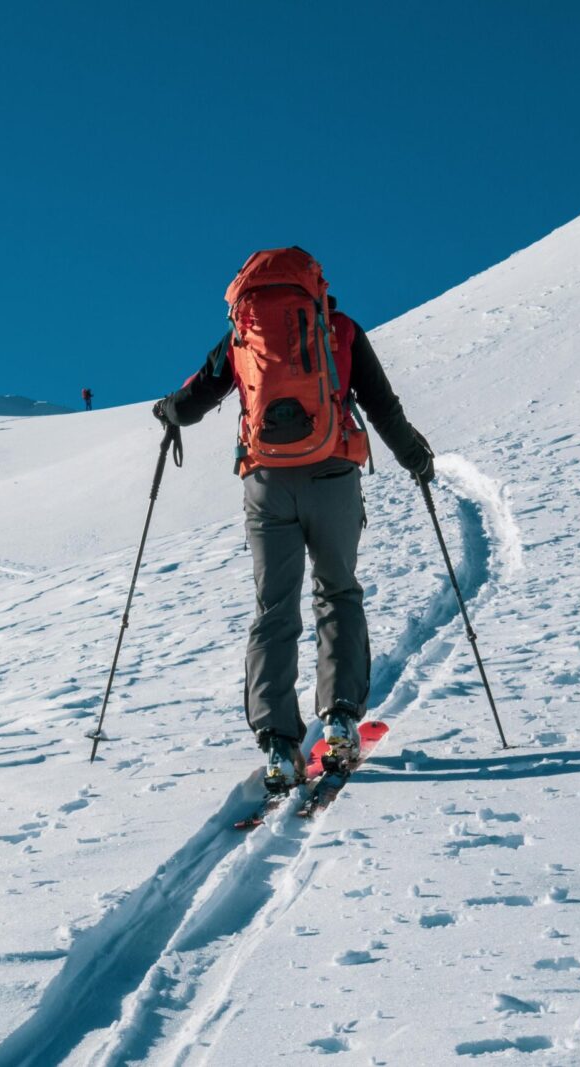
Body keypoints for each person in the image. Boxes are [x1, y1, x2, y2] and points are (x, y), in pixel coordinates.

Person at [152, 247, 434, 797]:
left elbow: (192, 401)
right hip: (332, 475)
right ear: (314, 285)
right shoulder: (340, 330)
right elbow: (382, 407)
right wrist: (416, 457)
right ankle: (340, 719)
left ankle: (279, 745)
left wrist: (167, 410)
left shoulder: (241, 337)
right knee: (338, 593)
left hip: (266, 484)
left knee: (274, 608)